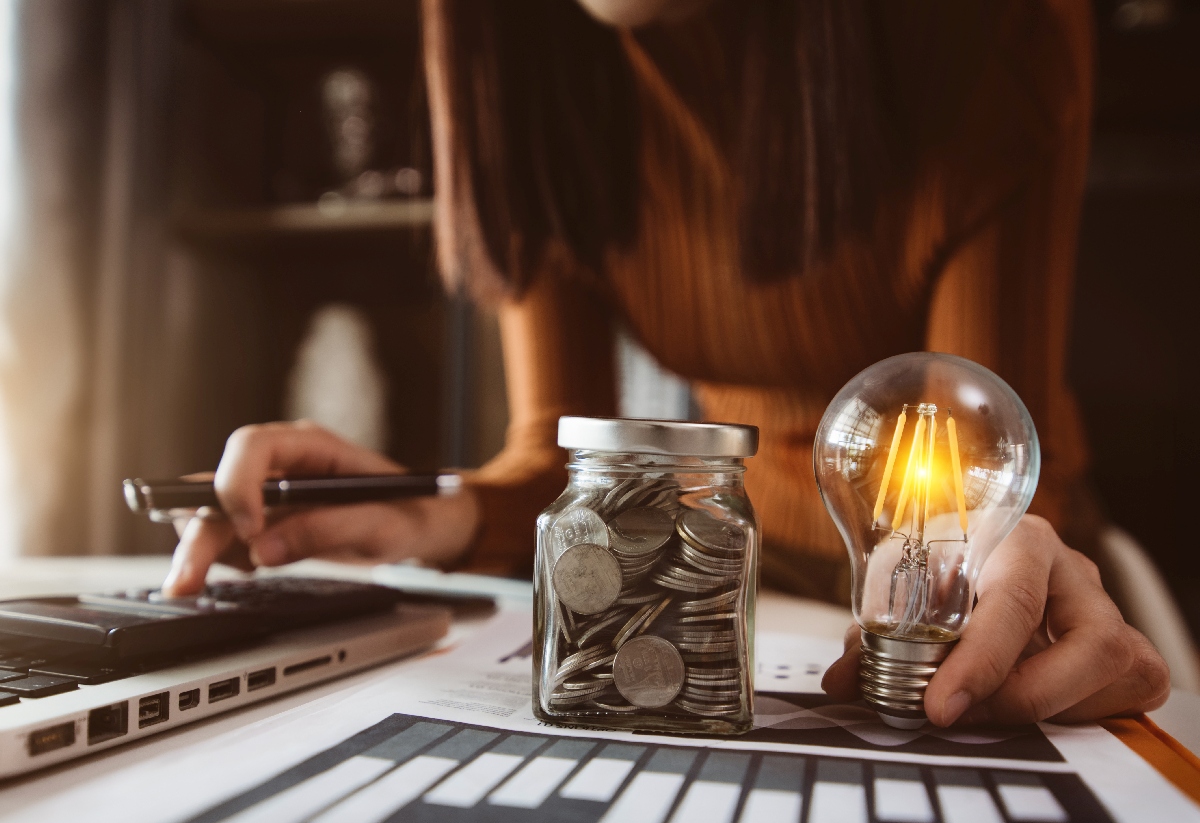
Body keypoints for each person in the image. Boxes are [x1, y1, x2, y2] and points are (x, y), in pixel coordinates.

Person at [163, 0, 1170, 728]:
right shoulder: (512, 46)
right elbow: (557, 459)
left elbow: (962, 477)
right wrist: (436, 513)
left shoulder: (993, 30)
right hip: (713, 573)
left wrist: (978, 578)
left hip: (1019, 582)